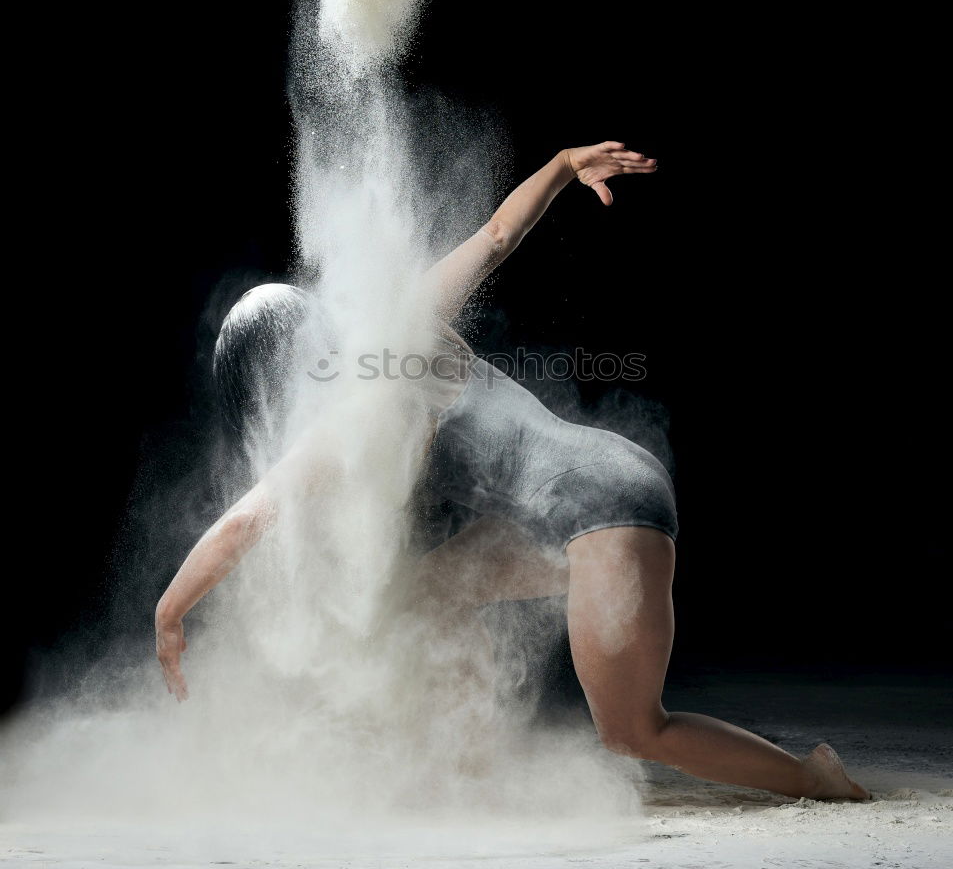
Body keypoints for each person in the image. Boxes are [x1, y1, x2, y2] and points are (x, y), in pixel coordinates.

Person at [155, 142, 870, 801]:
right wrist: (562, 164)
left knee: (631, 731)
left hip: (599, 512)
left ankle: (815, 778)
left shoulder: (347, 414)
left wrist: (169, 611)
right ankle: (467, 766)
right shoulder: (401, 329)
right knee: (430, 593)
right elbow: (498, 236)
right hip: (590, 488)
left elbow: (248, 518)